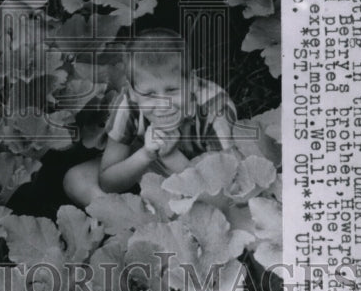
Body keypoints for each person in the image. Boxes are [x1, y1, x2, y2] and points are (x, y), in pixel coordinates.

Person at [63, 29, 238, 208]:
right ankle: (135, 218)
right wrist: (145, 155)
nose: (163, 105)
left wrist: (171, 157)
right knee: (75, 179)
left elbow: (224, 193)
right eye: (149, 94)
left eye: (172, 90)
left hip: (202, 175)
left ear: (191, 82)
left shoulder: (216, 110)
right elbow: (108, 183)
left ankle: (155, 218)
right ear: (132, 92)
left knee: (219, 205)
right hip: (147, 165)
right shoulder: (127, 105)